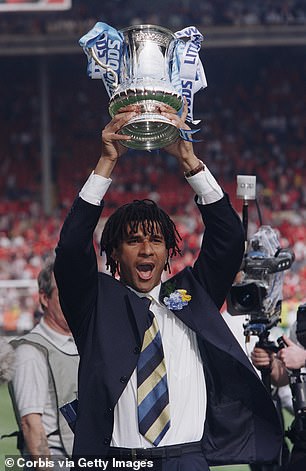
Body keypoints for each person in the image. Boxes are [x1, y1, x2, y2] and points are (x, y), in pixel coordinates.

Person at [54, 102, 283, 471]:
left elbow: (227, 239)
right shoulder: (95, 303)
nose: (146, 249)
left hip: (188, 459)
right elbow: (69, 249)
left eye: (156, 241)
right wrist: (106, 163)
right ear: (113, 252)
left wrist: (189, 161)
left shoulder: (193, 294)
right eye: (133, 241)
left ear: (169, 251)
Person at [9, 260, 79, 470]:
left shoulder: (83, 344)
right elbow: (31, 425)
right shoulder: (30, 351)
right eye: (63, 291)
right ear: (44, 298)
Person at [251, 324, 306, 471]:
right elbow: (284, 377)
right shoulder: (302, 319)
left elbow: (301, 359)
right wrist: (271, 364)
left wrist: (304, 357)